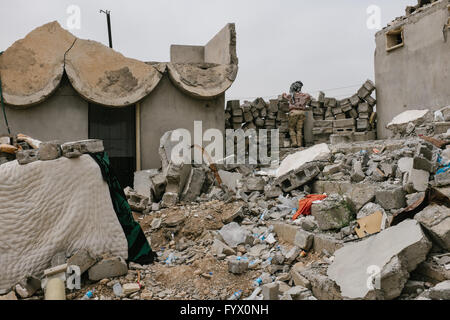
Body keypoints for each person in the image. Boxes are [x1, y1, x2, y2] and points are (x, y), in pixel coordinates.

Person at [283, 81, 311, 147]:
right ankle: (299, 144)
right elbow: (309, 97)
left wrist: (283, 94)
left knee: (291, 128)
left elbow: (284, 96)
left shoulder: (290, 95)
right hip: (302, 113)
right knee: (299, 129)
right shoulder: (304, 95)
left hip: (293, 113)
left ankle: (294, 142)